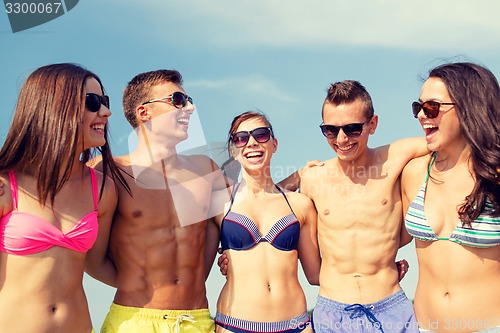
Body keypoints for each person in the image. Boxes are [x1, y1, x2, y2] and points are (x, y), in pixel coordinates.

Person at [274, 80, 428, 332]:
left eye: (353, 129)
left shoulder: (396, 157)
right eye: (331, 131)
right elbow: (262, 199)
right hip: (332, 312)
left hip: (391, 307)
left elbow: (450, 143)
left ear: (373, 124)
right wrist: (297, 176)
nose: (342, 139)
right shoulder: (314, 178)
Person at [95, 69, 230, 333]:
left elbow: (249, 212)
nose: (190, 107)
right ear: (144, 113)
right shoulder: (107, 171)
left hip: (198, 321)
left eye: (188, 99)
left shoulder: (206, 170)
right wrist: (138, 283)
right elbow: (92, 259)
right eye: (177, 100)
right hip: (134, 321)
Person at [0, 63, 127, 333]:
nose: (106, 112)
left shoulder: (102, 188)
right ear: (54, 106)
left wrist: (163, 283)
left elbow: (98, 264)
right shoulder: (5, 184)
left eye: (104, 101)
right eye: (93, 102)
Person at [402, 62, 500, 333]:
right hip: (425, 327)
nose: (422, 116)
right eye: (417, 107)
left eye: (432, 107)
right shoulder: (413, 174)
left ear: (469, 108)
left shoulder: (495, 176)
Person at [214, 111, 321, 333]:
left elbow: (316, 274)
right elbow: (194, 269)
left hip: (295, 326)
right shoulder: (218, 204)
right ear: (233, 150)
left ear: (274, 144)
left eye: (261, 135)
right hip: (234, 326)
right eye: (241, 138)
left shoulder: (300, 205)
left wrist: (376, 270)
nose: (251, 142)